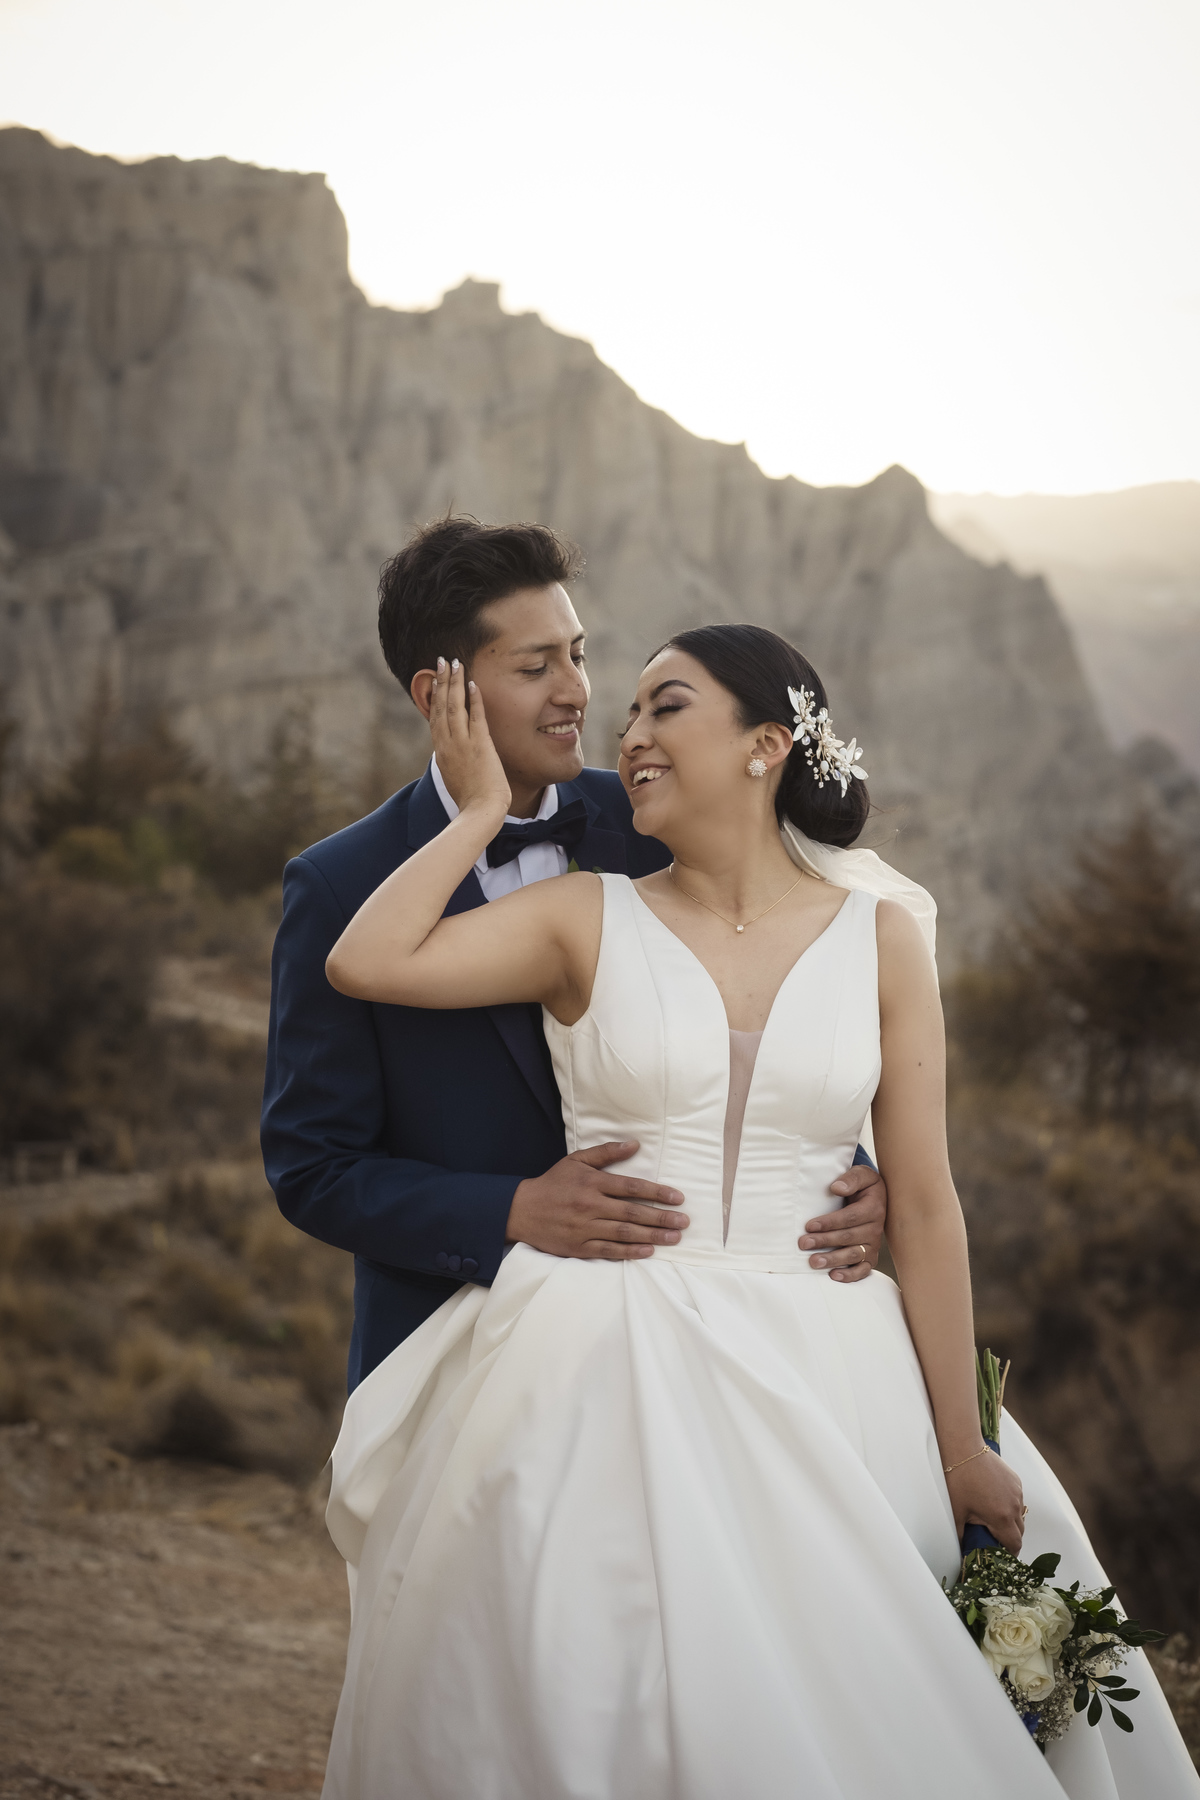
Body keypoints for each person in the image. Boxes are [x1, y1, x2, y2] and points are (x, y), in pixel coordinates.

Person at [317, 625, 1200, 1799]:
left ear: (766, 744)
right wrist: (479, 810)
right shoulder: (584, 915)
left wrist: (960, 1444)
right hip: (601, 1357)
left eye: (666, 706)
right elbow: (366, 962)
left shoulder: (882, 939)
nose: (630, 733)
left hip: (832, 1359)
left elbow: (925, 1202)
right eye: (631, 712)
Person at [261, 520, 887, 1389]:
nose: (577, 692)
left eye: (578, 655)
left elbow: (777, 990)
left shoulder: (659, 819)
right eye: (535, 668)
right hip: (461, 1353)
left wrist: (845, 1174)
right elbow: (314, 1168)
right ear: (438, 695)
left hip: (701, 1336)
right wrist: (513, 1210)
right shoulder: (342, 887)